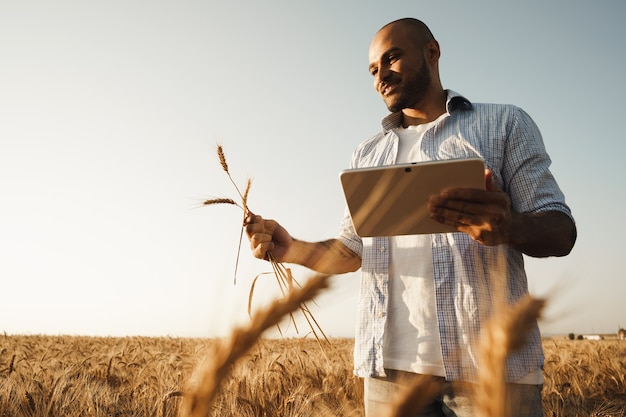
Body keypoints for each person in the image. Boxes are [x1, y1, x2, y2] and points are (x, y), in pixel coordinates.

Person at [245, 17, 576, 417]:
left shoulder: (504, 124)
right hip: (390, 378)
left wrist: (512, 227)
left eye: (392, 58)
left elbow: (561, 229)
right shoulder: (366, 156)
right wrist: (291, 248)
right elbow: (352, 250)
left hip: (492, 372)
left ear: (432, 52)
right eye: (372, 69)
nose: (380, 76)